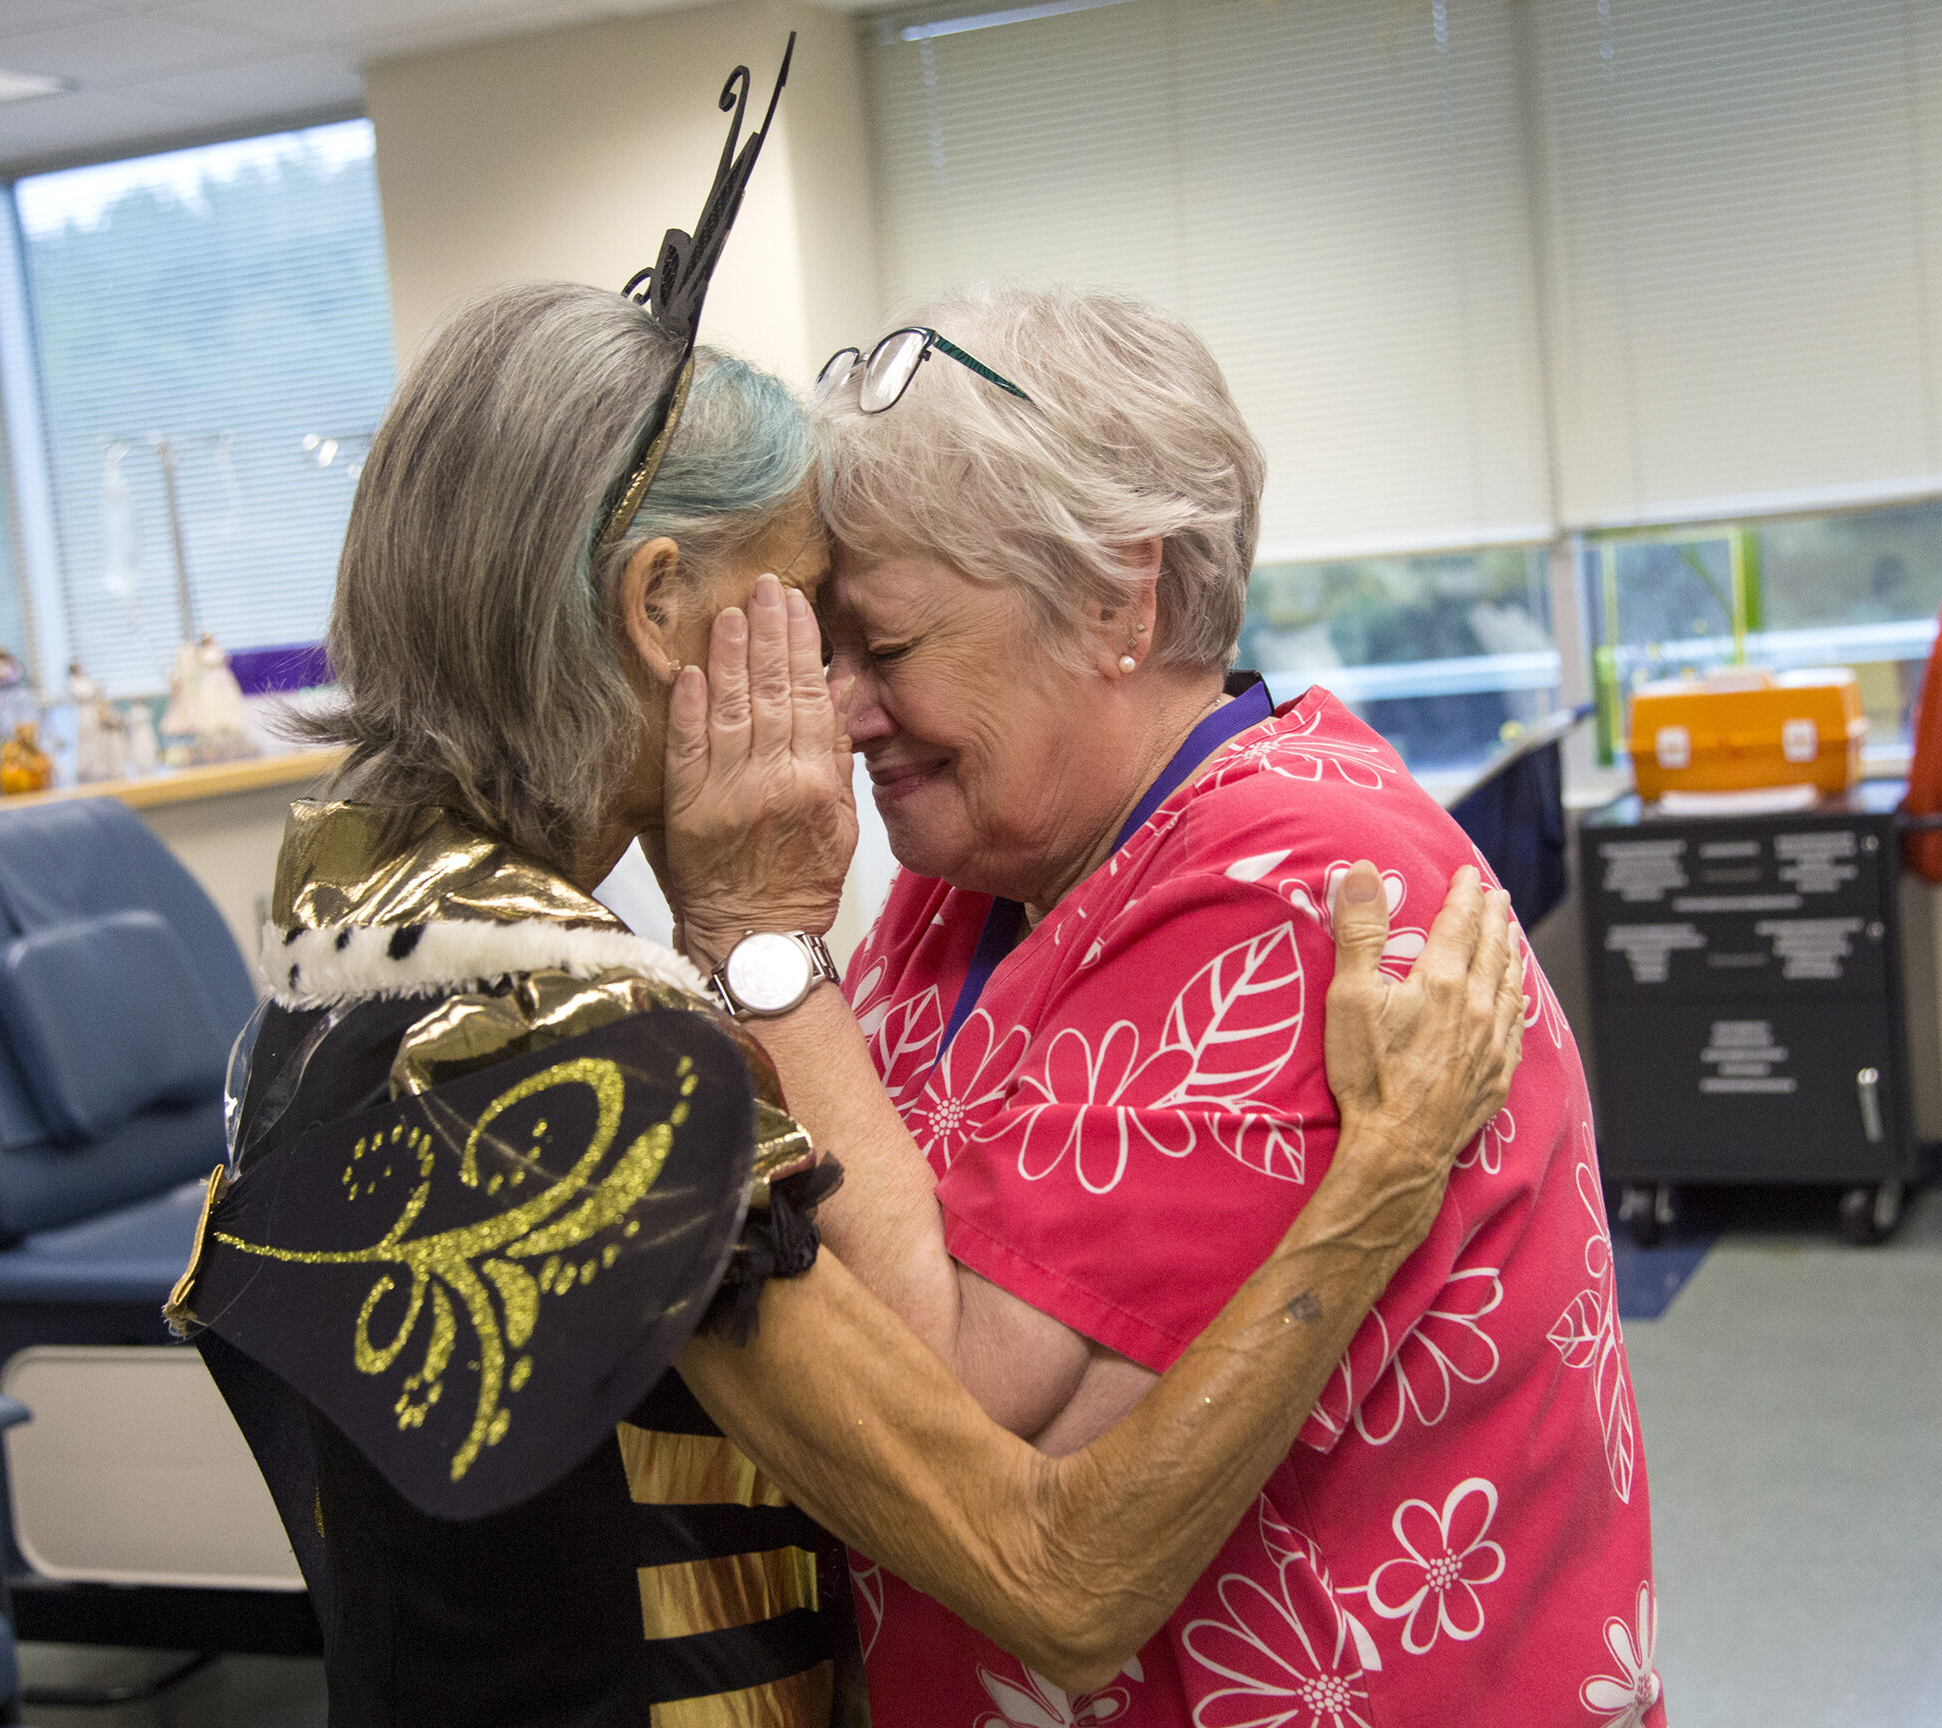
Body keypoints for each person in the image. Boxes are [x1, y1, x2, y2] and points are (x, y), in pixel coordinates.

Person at [172, 274, 1527, 1728]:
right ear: (656, 606)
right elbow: (1057, 1579)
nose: (835, 690)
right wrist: (1382, 1177)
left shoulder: (350, 920)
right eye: (813, 621)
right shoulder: (560, 1054)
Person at [662, 283, 1663, 1727]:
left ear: (1119, 600)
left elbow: (945, 1409)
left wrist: (762, 944)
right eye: (826, 653)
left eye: (885, 648)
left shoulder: (1297, 892)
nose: (845, 709)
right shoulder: (989, 871)